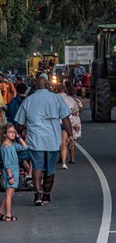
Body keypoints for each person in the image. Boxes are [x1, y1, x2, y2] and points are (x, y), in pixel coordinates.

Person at [15, 74, 74, 206]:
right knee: (50, 169)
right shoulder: (56, 99)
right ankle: (46, 195)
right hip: (52, 140)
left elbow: (19, 123)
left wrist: (19, 131)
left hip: (35, 140)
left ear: (35, 87)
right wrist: (70, 135)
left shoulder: (28, 100)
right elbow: (65, 119)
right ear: (47, 85)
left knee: (37, 167)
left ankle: (37, 196)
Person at [1, 123, 28, 221]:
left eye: (14, 132)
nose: (12, 134)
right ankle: (8, 215)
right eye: (10, 132)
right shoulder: (5, 147)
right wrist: (10, 176)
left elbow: (25, 147)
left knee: (10, 193)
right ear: (4, 134)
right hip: (10, 171)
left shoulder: (12, 144)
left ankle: (1, 211)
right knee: (9, 193)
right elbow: (7, 163)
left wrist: (18, 137)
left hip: (15, 169)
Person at [56, 83, 82, 168]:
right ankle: (65, 161)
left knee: (60, 142)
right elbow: (77, 109)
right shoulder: (71, 99)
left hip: (56, 122)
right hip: (67, 122)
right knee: (66, 141)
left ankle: (60, 158)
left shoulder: (54, 97)